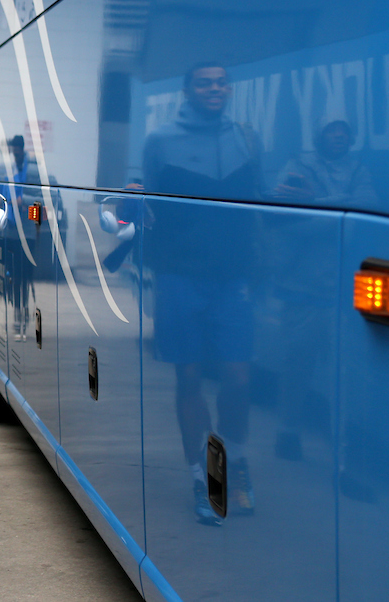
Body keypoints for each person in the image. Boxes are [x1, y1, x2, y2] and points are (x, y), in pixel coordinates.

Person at [136, 63, 261, 524]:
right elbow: (149, 204)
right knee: (189, 378)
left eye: (222, 82)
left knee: (238, 378)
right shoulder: (160, 140)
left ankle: (235, 461)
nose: (215, 89)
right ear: (187, 90)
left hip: (233, 277)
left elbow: (257, 202)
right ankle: (204, 478)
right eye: (205, 83)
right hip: (179, 276)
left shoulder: (247, 138)